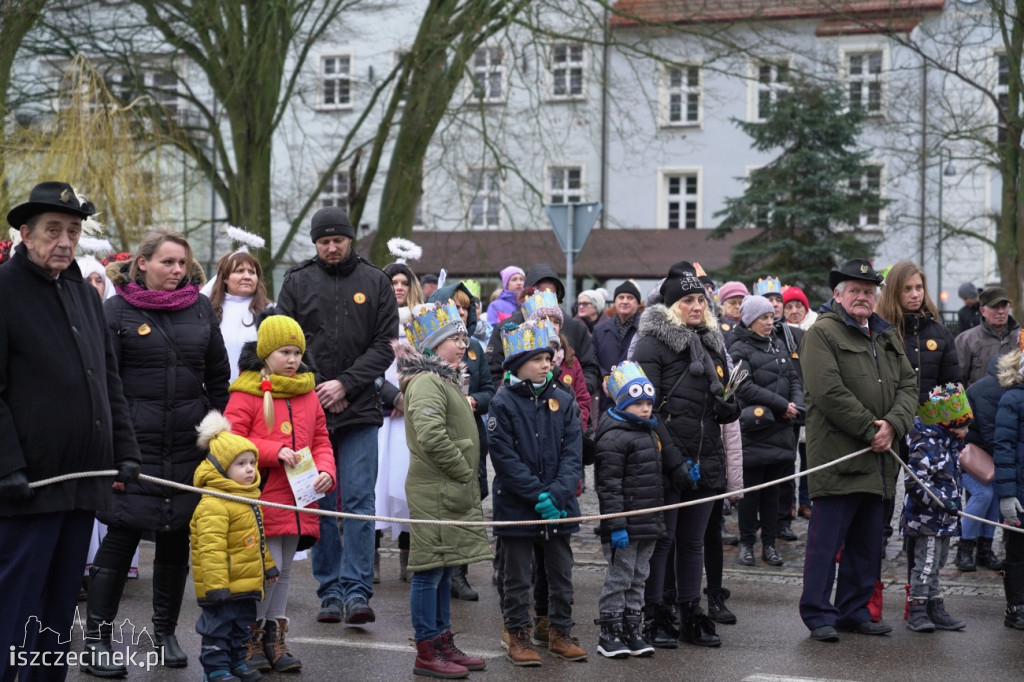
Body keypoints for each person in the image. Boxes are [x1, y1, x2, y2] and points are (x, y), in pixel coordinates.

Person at [0, 182, 141, 682]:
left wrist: (124, 450)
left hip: (83, 480)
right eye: (53, 230)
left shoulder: (83, 293)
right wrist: (8, 465)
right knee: (14, 609)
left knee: (58, 611)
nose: (64, 241)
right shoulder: (4, 290)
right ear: (26, 234)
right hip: (29, 486)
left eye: (73, 231)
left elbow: (108, 382)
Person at [85, 228, 231, 675]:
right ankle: (96, 640)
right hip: (135, 446)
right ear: (142, 263)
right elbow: (102, 385)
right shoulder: (115, 311)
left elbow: (218, 376)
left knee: (176, 536)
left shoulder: (201, 308)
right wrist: (111, 449)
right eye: (168, 262)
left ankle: (165, 632)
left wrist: (211, 430)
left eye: (182, 263)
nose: (177, 271)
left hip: (187, 446)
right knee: (122, 535)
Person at [276, 205, 399, 626]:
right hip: (310, 412)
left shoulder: (376, 280)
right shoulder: (296, 281)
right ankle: (329, 590)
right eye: (324, 241)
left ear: (350, 240)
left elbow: (384, 346)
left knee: (361, 501)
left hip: (361, 409)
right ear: (315, 243)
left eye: (338, 240)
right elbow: (286, 343)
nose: (331, 247)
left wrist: (345, 384)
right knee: (320, 502)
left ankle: (358, 590)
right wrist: (320, 388)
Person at [797, 258, 918, 643]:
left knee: (867, 545)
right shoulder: (822, 334)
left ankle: (855, 609)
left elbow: (908, 387)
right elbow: (827, 392)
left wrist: (893, 425)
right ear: (838, 295)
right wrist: (871, 429)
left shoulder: (885, 335)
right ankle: (818, 613)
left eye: (869, 291)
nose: (863, 297)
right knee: (825, 545)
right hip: (838, 458)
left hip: (880, 461)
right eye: (855, 291)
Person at [633, 261, 739, 649]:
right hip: (667, 457)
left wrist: (729, 405)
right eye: (689, 300)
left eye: (701, 299)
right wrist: (674, 460)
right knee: (664, 539)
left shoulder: (713, 341)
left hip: (706, 453)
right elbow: (647, 409)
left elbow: (719, 393)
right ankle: (656, 613)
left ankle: (691, 611)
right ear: (671, 304)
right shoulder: (651, 343)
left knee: (694, 541)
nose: (697, 306)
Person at [224, 314, 335, 672]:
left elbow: (320, 439)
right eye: (284, 352)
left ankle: (275, 636)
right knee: (266, 570)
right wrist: (272, 452)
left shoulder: (307, 392)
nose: (292, 359)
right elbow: (230, 442)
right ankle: (250, 639)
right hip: (262, 495)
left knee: (285, 569)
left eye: (296, 352)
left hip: (299, 498)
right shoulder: (246, 391)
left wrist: (326, 471)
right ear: (266, 353)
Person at [397, 301, 492, 678]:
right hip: (436, 487)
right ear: (433, 345)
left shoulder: (446, 379)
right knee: (429, 570)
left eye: (463, 337)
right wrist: (461, 468)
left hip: (449, 487)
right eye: (454, 338)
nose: (461, 343)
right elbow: (431, 435)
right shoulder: (426, 382)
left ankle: (443, 640)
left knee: (446, 563)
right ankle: (427, 648)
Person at [489, 319, 587, 666]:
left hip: (558, 506)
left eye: (549, 358)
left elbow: (573, 453)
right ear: (518, 364)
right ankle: (518, 635)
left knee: (560, 572)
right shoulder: (502, 402)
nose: (547, 364)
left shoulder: (563, 399)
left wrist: (557, 496)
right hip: (517, 505)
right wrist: (536, 495)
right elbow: (504, 457)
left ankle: (560, 631)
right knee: (516, 575)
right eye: (539, 359)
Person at [875, 260, 961, 548]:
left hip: (929, 431)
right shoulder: (880, 332)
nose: (915, 294)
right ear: (894, 293)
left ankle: (919, 574)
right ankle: (876, 547)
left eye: (919, 288)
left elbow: (951, 385)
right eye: (907, 288)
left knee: (924, 498)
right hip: (890, 425)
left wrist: (951, 428)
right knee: (883, 492)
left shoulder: (939, 333)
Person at [191, 411, 280, 682]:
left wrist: (267, 567)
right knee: (218, 627)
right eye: (241, 463)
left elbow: (257, 541)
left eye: (252, 462)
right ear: (221, 468)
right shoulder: (213, 503)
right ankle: (216, 669)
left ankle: (237, 664)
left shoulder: (249, 499)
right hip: (223, 585)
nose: (250, 469)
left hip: (247, 583)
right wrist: (216, 585)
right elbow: (210, 550)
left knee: (242, 628)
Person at [428, 281, 496, 601]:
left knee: (469, 502)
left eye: (466, 307)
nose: (462, 312)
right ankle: (438, 569)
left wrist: (474, 402)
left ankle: (459, 573)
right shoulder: (428, 349)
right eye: (455, 306)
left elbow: (489, 391)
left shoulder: (475, 349)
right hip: (441, 435)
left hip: (471, 434)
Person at [593, 362, 664, 659]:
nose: (646, 409)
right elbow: (608, 486)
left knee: (639, 576)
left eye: (648, 403)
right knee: (619, 577)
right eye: (638, 404)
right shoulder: (613, 437)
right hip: (625, 525)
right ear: (623, 403)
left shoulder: (647, 431)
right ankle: (609, 630)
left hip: (648, 522)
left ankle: (632, 627)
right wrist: (616, 524)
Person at [727, 295, 803, 568]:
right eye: (764, 318)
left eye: (771, 317)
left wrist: (798, 405)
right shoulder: (738, 348)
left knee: (774, 492)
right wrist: (782, 405)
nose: (770, 322)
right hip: (755, 430)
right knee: (751, 492)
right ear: (749, 321)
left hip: (781, 429)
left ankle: (769, 545)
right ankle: (747, 543)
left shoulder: (778, 344)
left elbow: (793, 378)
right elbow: (743, 386)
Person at [901, 384, 970, 633]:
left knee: (938, 562)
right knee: (926, 563)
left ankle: (935, 605)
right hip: (927, 519)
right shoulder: (927, 445)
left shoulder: (950, 445)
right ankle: (917, 609)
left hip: (944, 520)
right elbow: (914, 482)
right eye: (963, 425)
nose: (966, 430)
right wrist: (941, 501)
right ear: (948, 424)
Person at [376, 260, 426, 584]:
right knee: (377, 486)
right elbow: (371, 364)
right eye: (392, 282)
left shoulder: (420, 323)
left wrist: (408, 395)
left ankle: (409, 556)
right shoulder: (375, 320)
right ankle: (372, 557)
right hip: (381, 413)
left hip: (409, 414)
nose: (398, 287)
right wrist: (391, 396)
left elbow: (428, 364)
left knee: (409, 485)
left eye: (404, 282)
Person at [485, 263, 600, 396]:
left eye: (551, 292)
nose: (545, 296)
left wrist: (572, 397)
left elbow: (590, 369)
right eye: (540, 292)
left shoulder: (576, 328)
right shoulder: (508, 329)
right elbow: (493, 372)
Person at [962, 356, 1008, 572]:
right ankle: (965, 548)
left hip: (986, 454)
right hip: (967, 454)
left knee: (995, 494)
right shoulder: (989, 390)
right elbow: (992, 435)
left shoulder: (1002, 387)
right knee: (983, 494)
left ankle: (984, 550)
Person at [204, 250, 273, 382]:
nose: (247, 276)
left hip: (255, 391)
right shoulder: (208, 310)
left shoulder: (270, 311)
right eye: (240, 271)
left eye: (252, 272)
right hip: (214, 391)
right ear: (224, 277)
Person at [993, 343, 1024, 629]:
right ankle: (1016, 605)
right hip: (1020, 490)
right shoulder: (1012, 399)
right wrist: (1007, 494)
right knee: (1018, 550)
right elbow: (1003, 448)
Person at [592, 280, 643, 415]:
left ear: (637, 303)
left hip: (637, 398)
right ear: (615, 301)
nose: (625, 301)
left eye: (630, 298)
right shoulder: (600, 330)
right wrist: (605, 377)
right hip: (607, 399)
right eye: (621, 297)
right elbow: (593, 360)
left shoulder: (645, 330)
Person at [956, 286, 1021, 387]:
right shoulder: (966, 340)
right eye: (995, 307)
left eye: (1004, 306)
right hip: (977, 401)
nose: (1000, 311)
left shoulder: (1020, 338)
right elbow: (958, 380)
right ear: (982, 311)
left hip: (1013, 401)